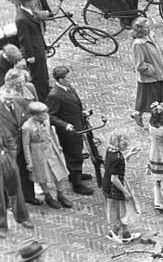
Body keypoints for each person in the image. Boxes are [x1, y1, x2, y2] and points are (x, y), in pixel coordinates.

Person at [45, 65, 94, 195]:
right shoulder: (55, 95)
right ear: (61, 80)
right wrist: (65, 125)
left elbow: (74, 104)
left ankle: (76, 175)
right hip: (68, 132)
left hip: (78, 126)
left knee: (78, 151)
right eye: (67, 77)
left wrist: (82, 112)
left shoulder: (68, 88)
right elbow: (50, 115)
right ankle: (77, 184)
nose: (70, 79)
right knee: (73, 155)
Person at [21, 102, 71, 210]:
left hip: (51, 148)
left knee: (59, 172)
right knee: (42, 176)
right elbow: (26, 145)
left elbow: (52, 133)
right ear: (35, 115)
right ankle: (48, 196)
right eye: (42, 114)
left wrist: (58, 145)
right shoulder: (27, 127)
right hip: (38, 153)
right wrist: (29, 162)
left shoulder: (46, 118)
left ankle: (60, 195)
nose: (44, 116)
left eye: (45, 113)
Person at [132, 18, 163, 127]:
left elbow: (160, 51)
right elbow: (139, 65)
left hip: (159, 75)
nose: (149, 29)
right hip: (150, 78)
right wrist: (152, 70)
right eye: (146, 28)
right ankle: (140, 115)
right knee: (150, 101)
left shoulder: (151, 36)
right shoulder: (138, 44)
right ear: (140, 30)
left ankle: (159, 116)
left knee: (157, 98)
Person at [0, 85, 38, 206]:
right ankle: (9, 202)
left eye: (11, 98)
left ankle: (29, 196)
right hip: (7, 148)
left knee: (25, 171)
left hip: (21, 144)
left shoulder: (19, 102)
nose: (9, 101)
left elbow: (26, 117)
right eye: (6, 98)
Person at [102, 132, 140, 244]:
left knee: (119, 211)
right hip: (116, 188)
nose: (126, 146)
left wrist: (129, 154)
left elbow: (118, 163)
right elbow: (114, 178)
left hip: (108, 187)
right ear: (119, 144)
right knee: (124, 211)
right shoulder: (117, 157)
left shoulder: (110, 151)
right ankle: (117, 233)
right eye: (125, 145)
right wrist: (125, 192)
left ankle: (125, 234)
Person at [13, 0, 50, 100]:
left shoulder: (28, 12)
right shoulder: (21, 18)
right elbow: (24, 38)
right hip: (34, 52)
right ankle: (42, 97)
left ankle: (46, 91)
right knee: (39, 76)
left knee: (43, 74)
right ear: (27, 1)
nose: (35, 1)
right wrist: (30, 56)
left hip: (39, 47)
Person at [0, 118, 31, 234]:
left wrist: (11, 157)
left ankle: (22, 217)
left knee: (16, 190)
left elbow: (9, 139)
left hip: (6, 160)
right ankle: (2, 226)